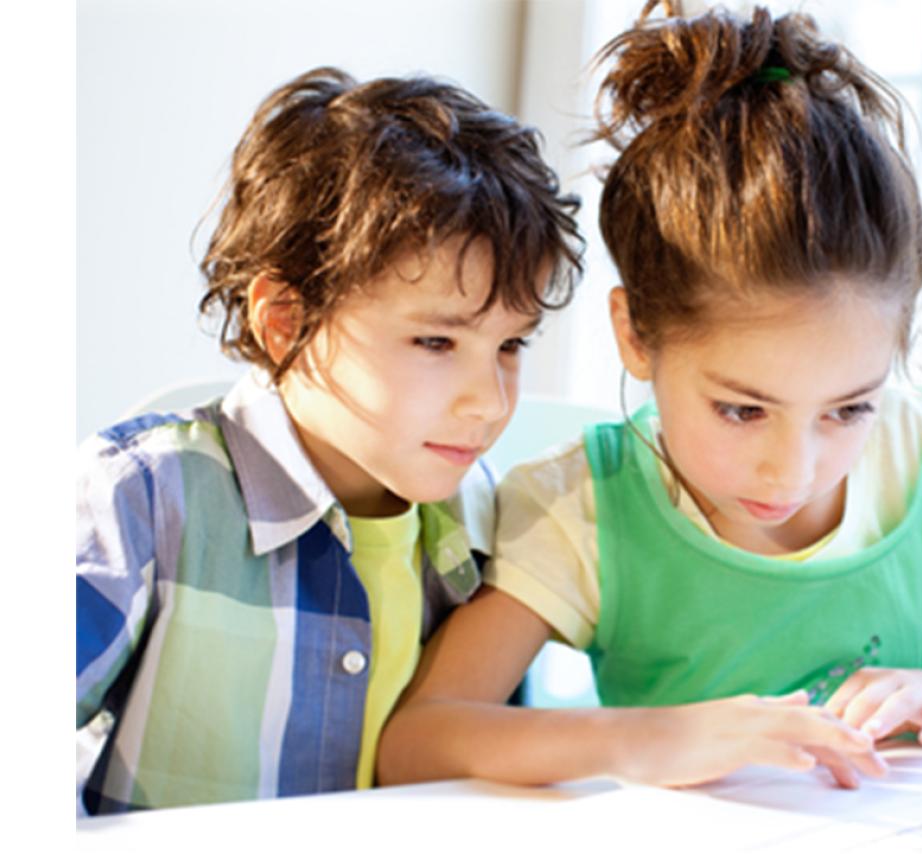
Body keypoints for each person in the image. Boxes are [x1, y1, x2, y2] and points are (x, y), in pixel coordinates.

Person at [378, 1, 922, 791]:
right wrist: (643, 740)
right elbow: (417, 743)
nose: (791, 474)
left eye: (849, 409)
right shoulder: (585, 508)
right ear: (635, 334)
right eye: (742, 410)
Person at [75, 67, 583, 813]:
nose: (491, 401)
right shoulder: (141, 497)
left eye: (511, 346)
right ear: (284, 321)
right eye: (437, 341)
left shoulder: (485, 526)